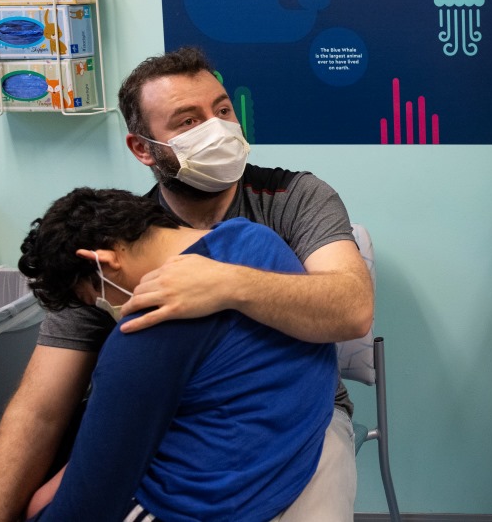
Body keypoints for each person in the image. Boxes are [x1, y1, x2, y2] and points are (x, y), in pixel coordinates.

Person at [0, 47, 372, 522]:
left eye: (222, 110)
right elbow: (39, 412)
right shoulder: (120, 238)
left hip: (312, 417)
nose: (217, 128)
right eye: (187, 121)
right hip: (179, 418)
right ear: (143, 148)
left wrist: (225, 282)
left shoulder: (292, 198)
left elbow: (352, 307)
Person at [19, 188, 337, 522]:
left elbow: (85, 510)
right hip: (284, 468)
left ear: (104, 262)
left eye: (92, 299)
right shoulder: (257, 240)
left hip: (191, 507)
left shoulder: (143, 331)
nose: (104, 308)